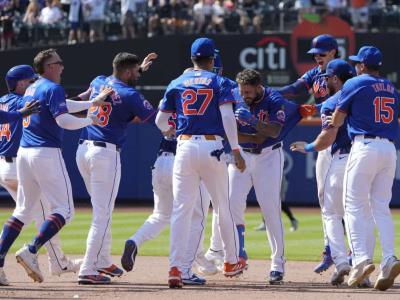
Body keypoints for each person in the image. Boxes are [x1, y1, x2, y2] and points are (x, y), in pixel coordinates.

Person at [0, 48, 106, 284]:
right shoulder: (51, 87)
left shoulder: (31, 88)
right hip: (45, 153)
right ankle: (32, 249)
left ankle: (1, 259)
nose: (62, 66)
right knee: (65, 210)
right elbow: (64, 120)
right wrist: (91, 118)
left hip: (24, 154)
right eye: (58, 63)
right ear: (48, 67)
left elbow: (61, 104)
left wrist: (91, 101)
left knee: (23, 210)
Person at [156, 37, 247, 288]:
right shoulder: (218, 81)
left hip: (183, 146)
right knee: (221, 207)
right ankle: (230, 261)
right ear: (212, 59)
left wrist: (174, 131)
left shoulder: (177, 82)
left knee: (181, 211)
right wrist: (236, 148)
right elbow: (228, 116)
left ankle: (177, 267)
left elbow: (160, 123)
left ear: (192, 59)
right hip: (212, 146)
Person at [76, 52, 158, 285]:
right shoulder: (131, 94)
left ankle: (101, 260)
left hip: (83, 149)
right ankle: (87, 268)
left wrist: (139, 68)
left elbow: (85, 99)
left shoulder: (98, 80)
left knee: (103, 210)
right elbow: (154, 118)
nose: (137, 75)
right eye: (134, 72)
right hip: (105, 154)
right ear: (126, 71)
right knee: (102, 214)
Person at [229, 68, 315, 285]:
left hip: (268, 156)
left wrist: (252, 122)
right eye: (242, 91)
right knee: (231, 204)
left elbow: (274, 131)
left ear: (259, 87)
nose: (244, 95)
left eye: (248, 91)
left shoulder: (274, 98)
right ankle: (238, 254)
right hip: (241, 154)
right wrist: (253, 135)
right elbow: (229, 130)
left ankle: (277, 265)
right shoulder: (235, 96)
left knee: (270, 210)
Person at [329, 46, 400, 291]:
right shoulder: (392, 87)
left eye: (358, 63)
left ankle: (360, 260)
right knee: (381, 206)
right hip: (389, 149)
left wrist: (334, 121)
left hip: (364, 146)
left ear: (361, 66)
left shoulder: (355, 83)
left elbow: (337, 120)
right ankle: (389, 257)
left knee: (353, 205)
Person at [121, 110, 217, 285]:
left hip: (161, 162)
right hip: (185, 162)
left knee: (161, 215)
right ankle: (185, 270)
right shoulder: (199, 107)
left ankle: (135, 240)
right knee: (197, 218)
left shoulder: (172, 103)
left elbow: (157, 120)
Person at [290, 59, 360, 286]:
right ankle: (361, 264)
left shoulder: (332, 102)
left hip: (341, 159)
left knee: (330, 212)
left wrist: (308, 147)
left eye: (328, 77)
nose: (325, 80)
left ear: (336, 79)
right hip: (364, 157)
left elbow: (326, 139)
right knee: (360, 214)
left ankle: (341, 262)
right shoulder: (365, 98)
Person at [280, 34, 339, 274]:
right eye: (314, 54)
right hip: (326, 140)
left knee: (350, 203)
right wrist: (266, 91)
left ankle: (356, 256)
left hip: (347, 141)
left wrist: (315, 107)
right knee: (325, 199)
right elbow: (295, 89)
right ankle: (330, 251)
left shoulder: (344, 73)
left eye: (322, 53)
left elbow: (343, 100)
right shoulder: (315, 73)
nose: (317, 57)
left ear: (334, 52)